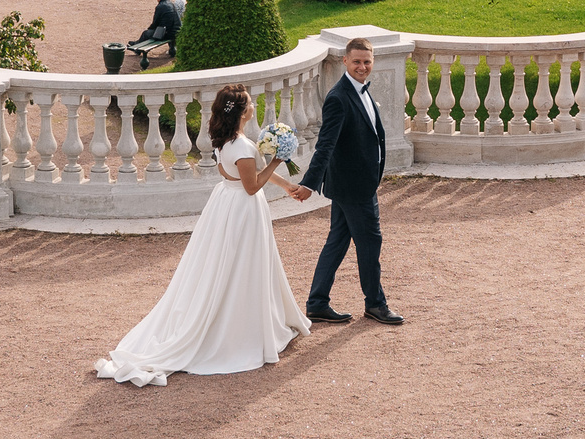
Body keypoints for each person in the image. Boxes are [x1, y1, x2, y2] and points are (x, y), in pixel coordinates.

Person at [95, 83, 313, 385]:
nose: (253, 106)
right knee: (243, 267)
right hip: (243, 210)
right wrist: (277, 158)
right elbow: (251, 185)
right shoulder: (243, 146)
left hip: (227, 204)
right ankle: (241, 329)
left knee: (226, 267)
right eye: (249, 103)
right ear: (241, 111)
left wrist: (286, 185)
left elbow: (245, 173)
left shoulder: (228, 141)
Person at [304, 37, 402, 326]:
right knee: (371, 242)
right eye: (357, 61)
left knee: (337, 241)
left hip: (356, 183)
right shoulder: (338, 97)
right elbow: (325, 145)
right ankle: (375, 304)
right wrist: (309, 183)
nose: (362, 66)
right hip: (355, 187)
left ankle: (317, 302)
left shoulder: (361, 92)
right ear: (345, 61)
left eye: (367, 61)